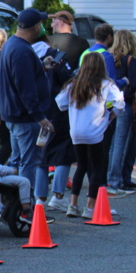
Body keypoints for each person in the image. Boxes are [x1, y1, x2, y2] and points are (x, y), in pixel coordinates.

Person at [0, 8, 54, 215]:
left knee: (16, 161)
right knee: (28, 163)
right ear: (36, 27)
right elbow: (25, 87)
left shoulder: (11, 44)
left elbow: (20, 77)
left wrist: (41, 66)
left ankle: (9, 206)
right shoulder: (21, 50)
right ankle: (25, 208)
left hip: (13, 114)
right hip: (24, 117)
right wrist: (40, 117)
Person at [56, 53, 124, 219]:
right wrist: (111, 115)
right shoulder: (106, 84)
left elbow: (60, 103)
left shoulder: (73, 84)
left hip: (76, 131)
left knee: (81, 166)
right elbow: (120, 103)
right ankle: (89, 207)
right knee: (97, 168)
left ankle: (73, 205)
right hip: (95, 131)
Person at [45, 11, 87, 210]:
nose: (51, 23)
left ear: (62, 22)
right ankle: (58, 194)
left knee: (42, 147)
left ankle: (39, 196)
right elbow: (83, 70)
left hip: (45, 100)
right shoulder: (81, 44)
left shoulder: (48, 42)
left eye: (54, 20)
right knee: (64, 147)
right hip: (67, 99)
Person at [106, 29, 136, 195]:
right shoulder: (130, 60)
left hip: (112, 104)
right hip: (127, 105)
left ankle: (116, 178)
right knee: (122, 144)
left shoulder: (110, 59)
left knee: (115, 145)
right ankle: (116, 181)